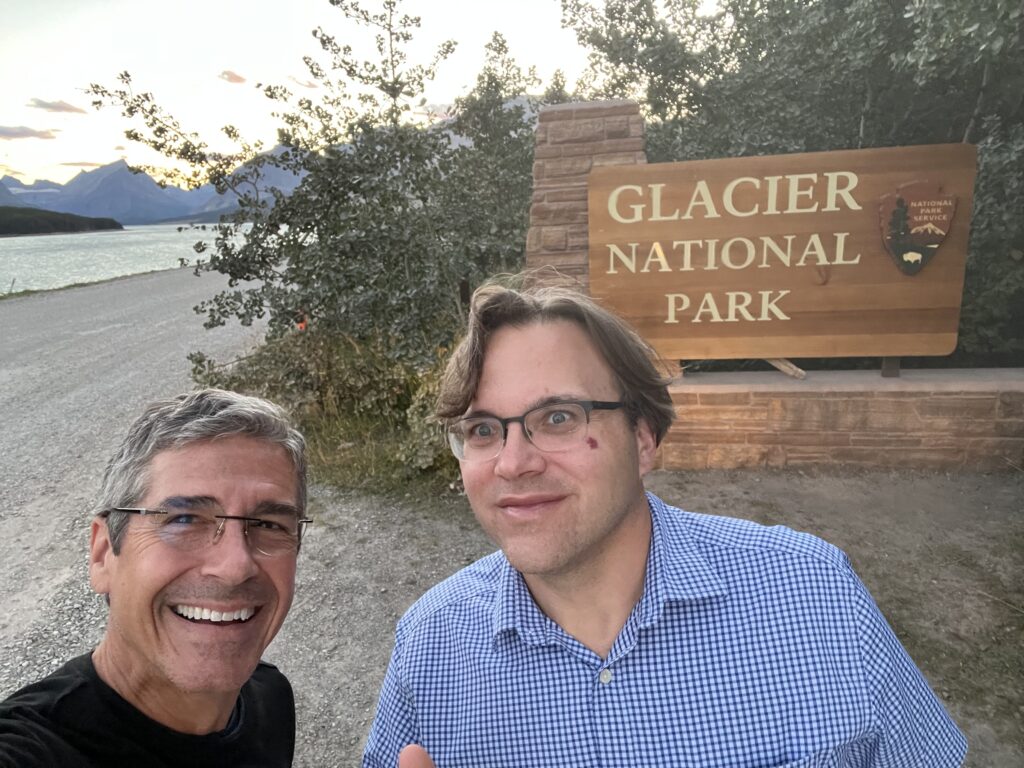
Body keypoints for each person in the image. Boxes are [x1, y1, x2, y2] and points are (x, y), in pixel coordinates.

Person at [364, 278, 967, 767]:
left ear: (645, 437)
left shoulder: (813, 594)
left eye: (558, 418)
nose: (514, 463)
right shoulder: (431, 644)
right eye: (482, 430)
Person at [0, 389, 311, 768]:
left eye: (267, 524)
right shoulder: (32, 750)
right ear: (102, 555)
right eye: (184, 520)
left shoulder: (270, 697)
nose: (235, 566)